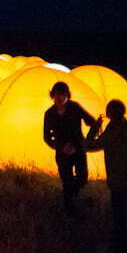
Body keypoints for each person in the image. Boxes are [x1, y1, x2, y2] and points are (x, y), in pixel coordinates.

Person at [84, 100, 127, 253]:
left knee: (119, 218)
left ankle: (121, 251)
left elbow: (88, 145)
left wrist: (95, 127)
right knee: (124, 214)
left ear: (109, 115)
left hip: (119, 183)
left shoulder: (111, 135)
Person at [43, 81, 98, 215]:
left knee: (82, 177)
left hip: (78, 148)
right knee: (66, 180)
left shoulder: (75, 107)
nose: (60, 98)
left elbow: (90, 120)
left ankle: (70, 198)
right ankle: (69, 210)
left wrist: (93, 132)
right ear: (53, 96)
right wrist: (60, 147)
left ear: (67, 95)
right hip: (62, 152)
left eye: (62, 95)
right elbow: (46, 136)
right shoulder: (49, 113)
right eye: (57, 95)